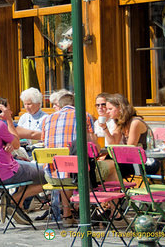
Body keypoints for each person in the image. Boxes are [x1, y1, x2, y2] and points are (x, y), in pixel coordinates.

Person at [0, 89, 45, 225]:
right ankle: (14, 200)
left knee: (30, 171)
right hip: (6, 173)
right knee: (49, 175)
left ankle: (18, 205)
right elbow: (16, 144)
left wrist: (6, 144)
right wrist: (9, 119)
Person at [41, 92, 115, 227]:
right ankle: (107, 209)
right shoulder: (84, 116)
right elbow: (94, 149)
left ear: (60, 106)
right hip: (78, 174)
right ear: (76, 105)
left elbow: (43, 142)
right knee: (112, 165)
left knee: (64, 171)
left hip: (51, 176)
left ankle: (67, 215)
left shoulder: (47, 119)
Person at [100, 93, 160, 176]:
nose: (107, 112)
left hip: (147, 162)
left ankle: (117, 187)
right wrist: (105, 128)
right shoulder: (120, 122)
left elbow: (130, 148)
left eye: (110, 109)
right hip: (133, 160)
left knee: (111, 165)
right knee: (106, 162)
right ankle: (114, 187)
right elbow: (113, 143)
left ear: (120, 108)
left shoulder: (135, 123)